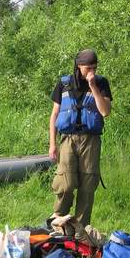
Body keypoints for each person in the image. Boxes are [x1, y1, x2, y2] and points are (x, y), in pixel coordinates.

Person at [49, 49, 112, 227]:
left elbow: (105, 112)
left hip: (90, 141)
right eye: (88, 68)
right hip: (68, 139)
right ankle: (57, 222)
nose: (91, 71)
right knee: (65, 183)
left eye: (94, 67)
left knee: (87, 185)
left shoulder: (101, 83)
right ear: (79, 66)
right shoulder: (64, 83)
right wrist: (52, 144)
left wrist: (93, 87)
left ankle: (81, 230)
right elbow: (54, 115)